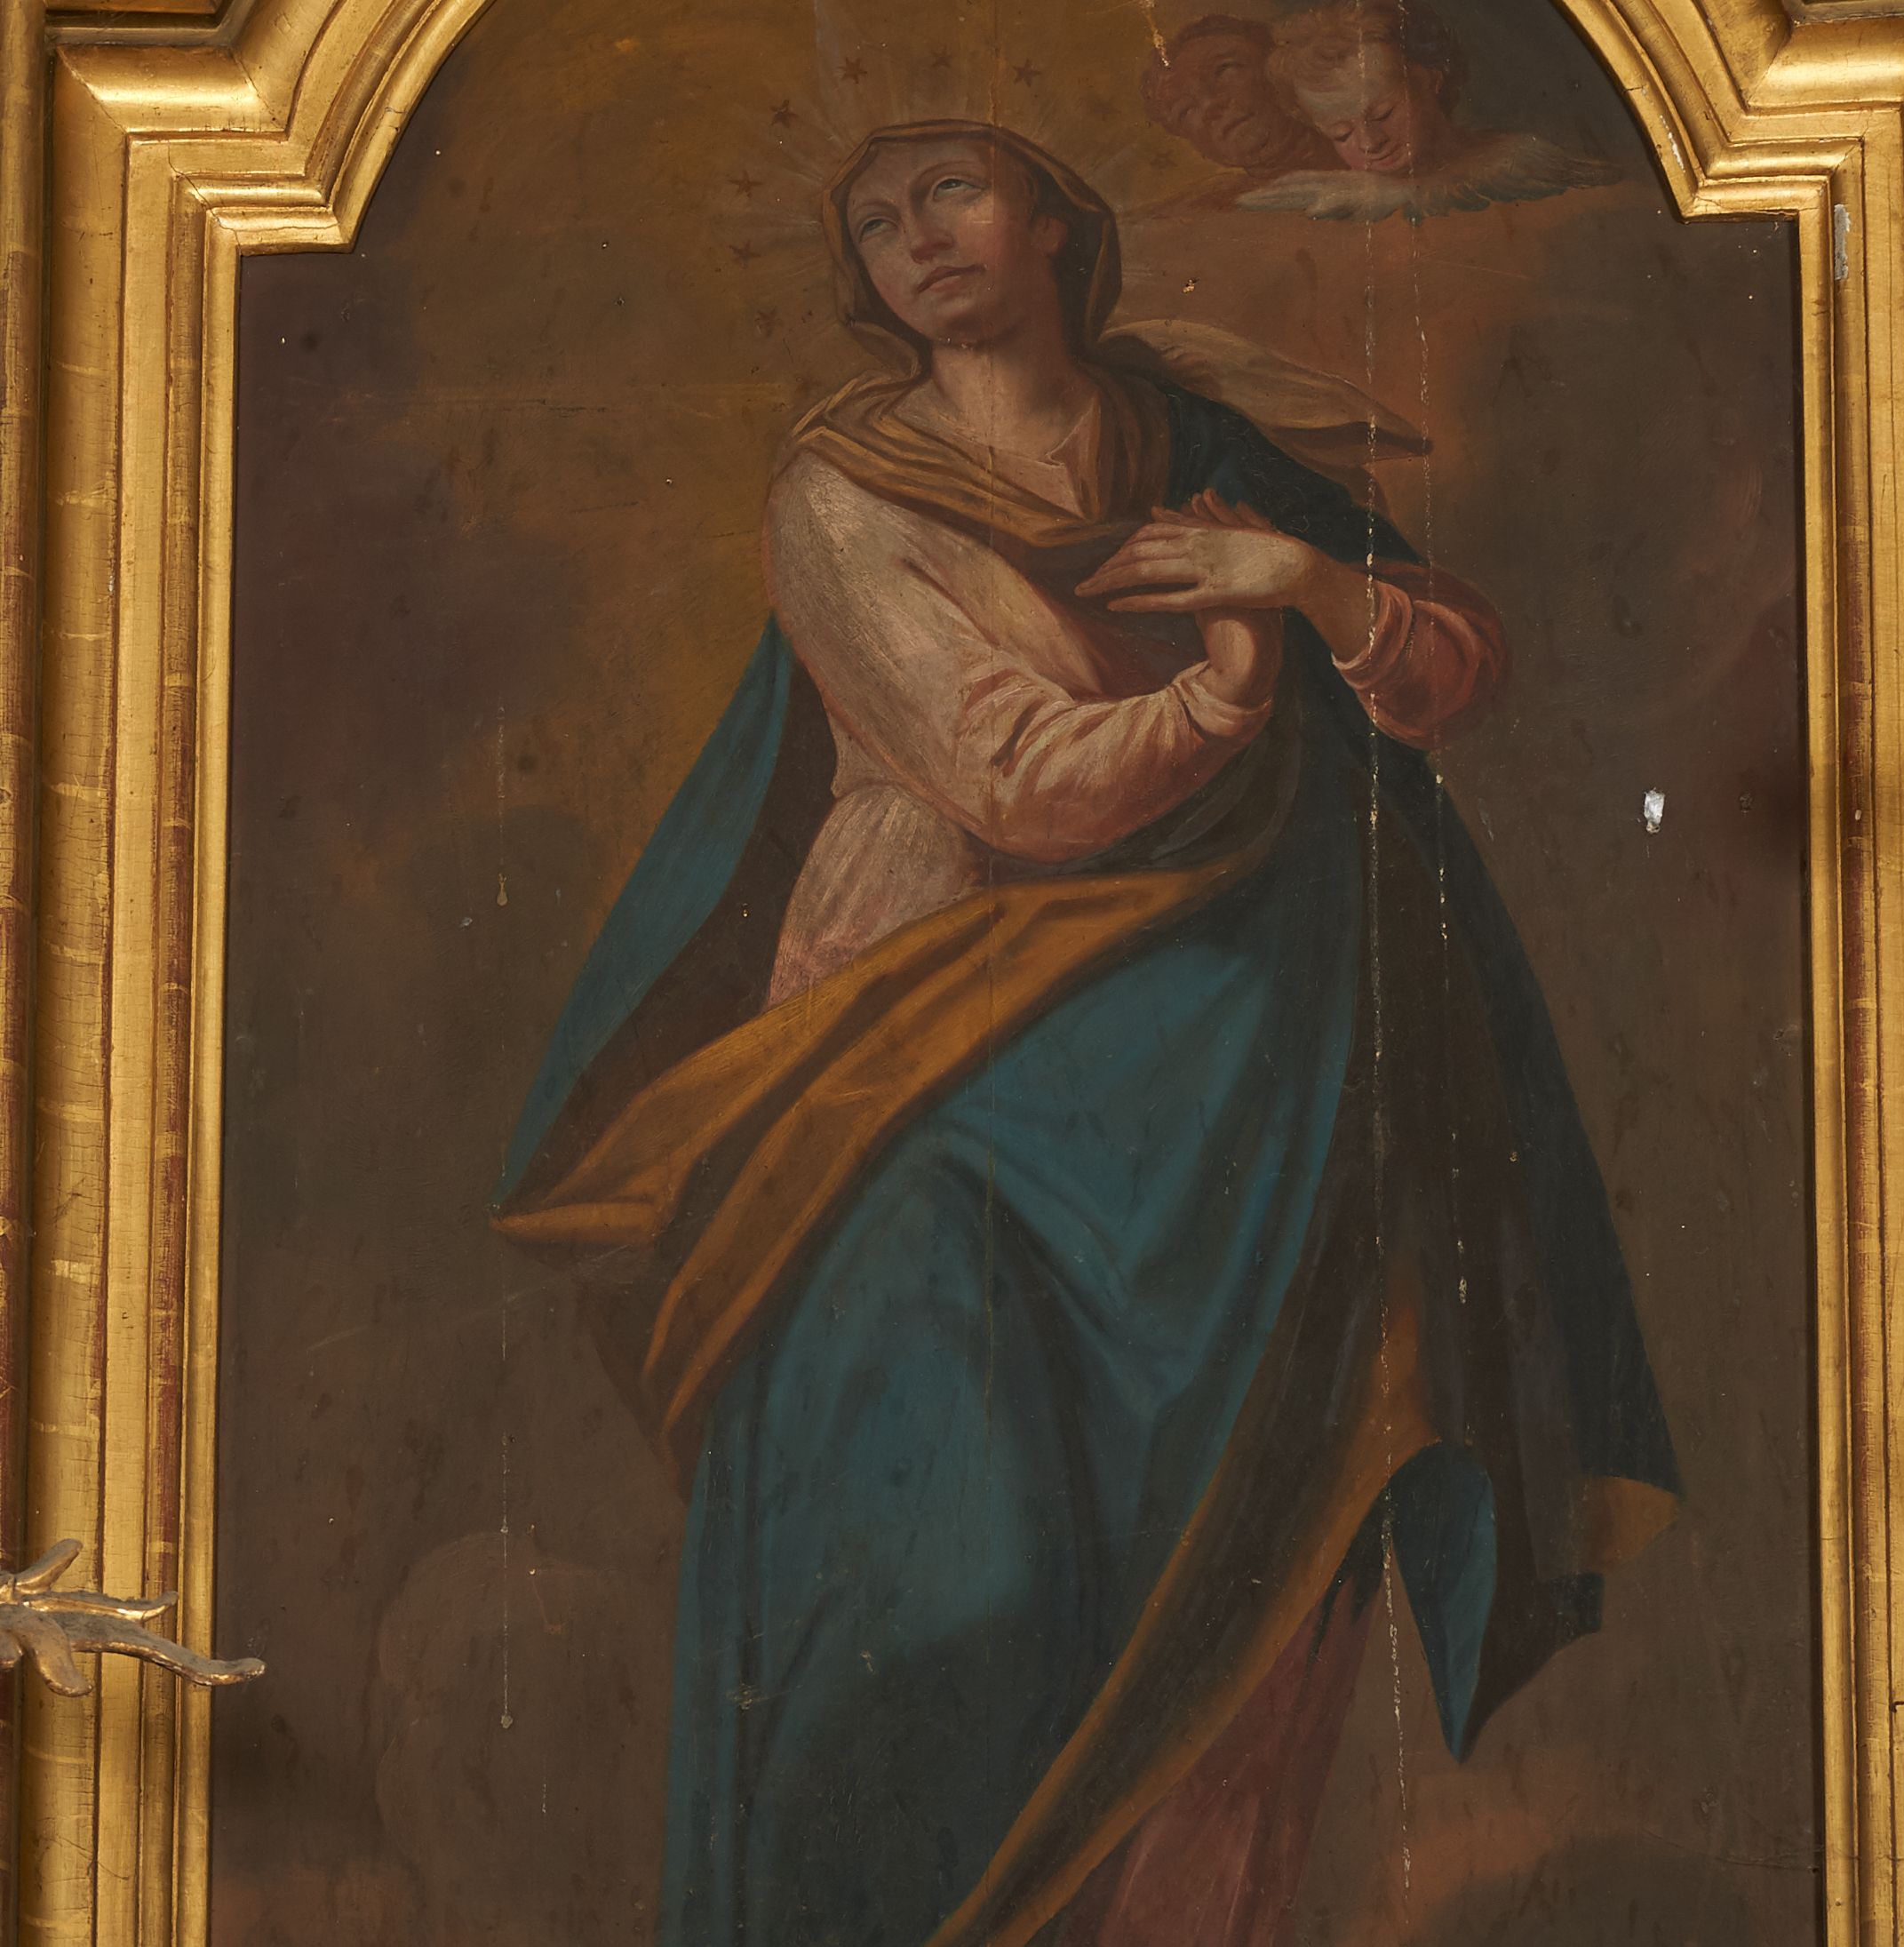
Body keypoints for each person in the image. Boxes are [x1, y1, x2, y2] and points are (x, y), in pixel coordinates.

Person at [493, 121, 1677, 1947]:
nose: (917, 238)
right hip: (934, 1031)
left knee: (1253, 1516)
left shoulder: (1194, 445)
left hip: (1239, 1036)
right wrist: (1225, 698)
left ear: (1053, 223)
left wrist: (1307, 587)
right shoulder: (841, 496)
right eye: (875, 223)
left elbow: (1452, 667)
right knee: (942, 1532)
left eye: (951, 194)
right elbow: (1012, 775)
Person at [1245, 1, 1621, 223]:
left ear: (1430, 80)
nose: (1371, 142)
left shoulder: (1518, 161)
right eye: (1341, 134)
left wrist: (1406, 194)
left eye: (1383, 113)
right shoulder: (1333, 194)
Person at [1140, 15, 1334, 175]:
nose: (1211, 106)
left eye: (1223, 71)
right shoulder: (1210, 207)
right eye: (1185, 110)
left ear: (1277, 62)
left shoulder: (1353, 148)